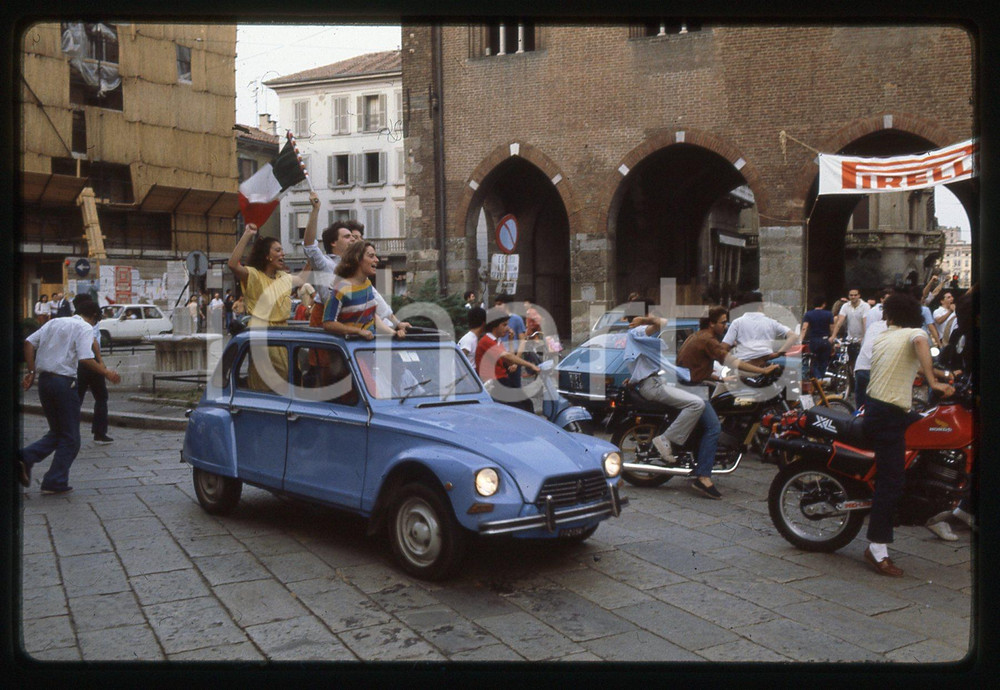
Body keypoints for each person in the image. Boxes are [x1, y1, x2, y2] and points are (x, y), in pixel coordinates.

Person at [862, 292, 954, 577]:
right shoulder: (915, 334)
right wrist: (934, 383)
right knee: (891, 481)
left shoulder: (885, 336)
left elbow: (907, 364)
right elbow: (920, 343)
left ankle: (930, 509)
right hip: (889, 415)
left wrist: (948, 376)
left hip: (879, 409)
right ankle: (877, 548)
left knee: (931, 432)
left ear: (890, 315)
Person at [18, 299, 121, 494]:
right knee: (71, 437)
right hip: (64, 383)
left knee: (57, 432)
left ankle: (26, 458)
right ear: (94, 316)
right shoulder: (85, 327)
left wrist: (31, 372)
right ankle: (54, 480)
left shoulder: (54, 322)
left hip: (44, 382)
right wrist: (106, 372)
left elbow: (28, 343)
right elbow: (85, 358)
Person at [676, 306, 780, 498]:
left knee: (714, 414)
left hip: (689, 384)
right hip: (692, 389)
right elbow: (733, 362)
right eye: (723, 322)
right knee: (713, 427)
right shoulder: (708, 340)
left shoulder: (697, 336)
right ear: (711, 323)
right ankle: (703, 477)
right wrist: (763, 370)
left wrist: (721, 378)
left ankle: (700, 459)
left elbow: (697, 367)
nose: (726, 326)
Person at [622, 313, 719, 496]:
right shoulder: (637, 331)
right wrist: (646, 320)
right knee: (697, 404)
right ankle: (666, 439)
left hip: (654, 382)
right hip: (653, 385)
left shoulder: (636, 336)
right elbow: (663, 322)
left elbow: (643, 363)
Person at [228, 222, 307, 391]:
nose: (283, 253)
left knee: (291, 373)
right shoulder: (254, 275)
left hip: (282, 332)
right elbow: (233, 264)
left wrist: (313, 254)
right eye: (277, 250)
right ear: (267, 256)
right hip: (262, 332)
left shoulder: (283, 277)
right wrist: (247, 234)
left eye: (282, 250)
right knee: (273, 376)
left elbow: (302, 279)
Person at [322, 241, 400, 340]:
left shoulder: (367, 284)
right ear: (357, 259)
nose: (376, 260)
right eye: (371, 256)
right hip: (351, 346)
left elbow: (371, 316)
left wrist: (394, 332)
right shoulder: (341, 289)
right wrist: (358, 331)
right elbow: (328, 323)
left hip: (368, 345)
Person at [475, 308, 540, 411]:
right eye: (504, 325)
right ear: (495, 325)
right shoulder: (487, 341)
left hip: (502, 381)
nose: (507, 328)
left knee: (527, 403)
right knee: (521, 407)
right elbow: (507, 356)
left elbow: (510, 362)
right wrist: (531, 365)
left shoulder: (497, 341)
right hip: (493, 384)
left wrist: (510, 342)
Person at [73, 294, 113, 444]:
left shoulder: (73, 319)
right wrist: (100, 362)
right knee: (101, 396)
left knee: (77, 398)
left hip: (78, 362)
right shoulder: (90, 320)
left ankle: (70, 432)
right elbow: (94, 341)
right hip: (91, 360)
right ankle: (99, 432)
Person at [720, 291, 798, 367]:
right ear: (760, 306)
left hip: (744, 365)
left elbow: (724, 347)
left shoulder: (737, 323)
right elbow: (793, 336)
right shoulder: (771, 322)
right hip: (765, 364)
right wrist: (778, 353)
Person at [852, 289, 891, 411]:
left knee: (861, 408)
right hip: (874, 368)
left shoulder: (874, 325)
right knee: (878, 406)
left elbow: (866, 341)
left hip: (860, 366)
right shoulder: (891, 330)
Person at [832, 287, 870, 369]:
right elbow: (840, 321)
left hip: (861, 338)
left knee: (860, 361)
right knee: (850, 361)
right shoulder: (846, 306)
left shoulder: (865, 306)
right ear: (848, 296)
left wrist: (864, 337)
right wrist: (833, 336)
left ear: (859, 295)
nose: (853, 297)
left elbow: (865, 322)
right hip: (850, 338)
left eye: (855, 295)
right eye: (851, 295)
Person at [800, 295, 835, 381]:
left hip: (814, 340)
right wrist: (832, 338)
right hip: (825, 340)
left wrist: (800, 339)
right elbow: (832, 328)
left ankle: (817, 378)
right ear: (823, 304)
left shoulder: (808, 314)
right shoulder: (829, 314)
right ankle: (821, 378)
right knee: (824, 362)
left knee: (814, 362)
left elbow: (804, 328)